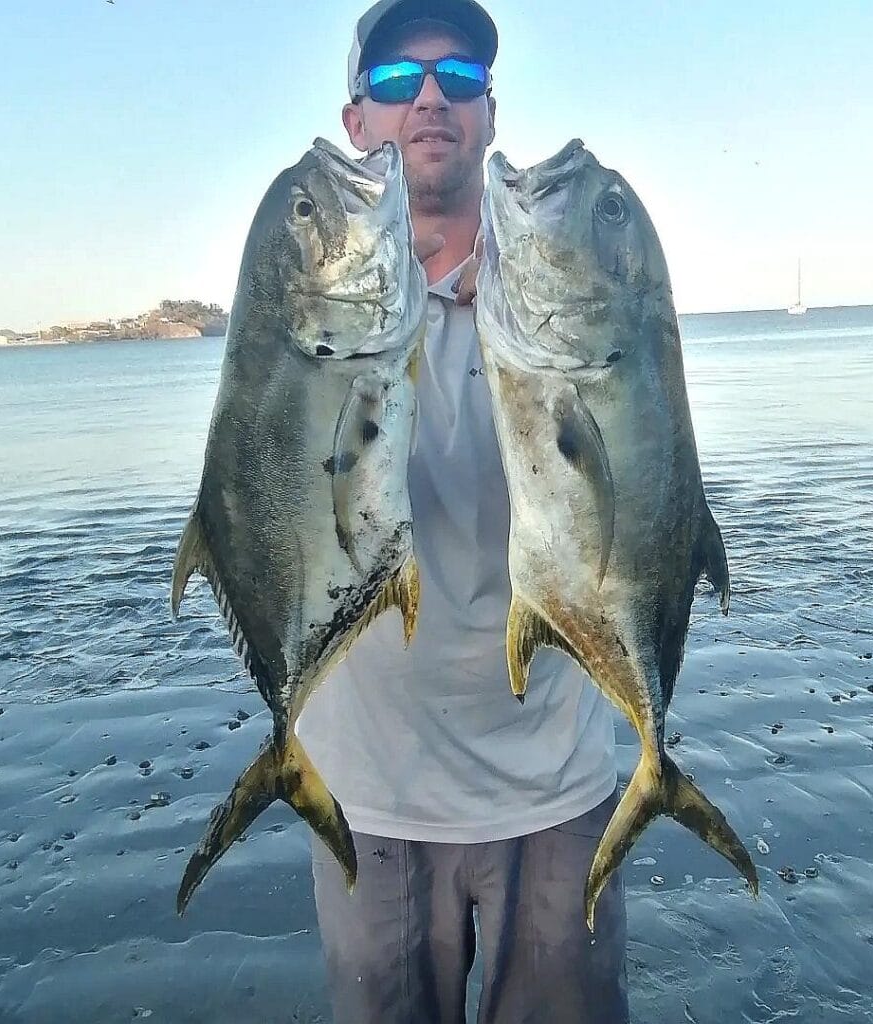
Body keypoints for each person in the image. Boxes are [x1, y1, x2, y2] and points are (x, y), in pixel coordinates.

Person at [296, 2, 629, 1021]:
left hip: (556, 784)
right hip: (369, 791)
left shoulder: (572, 290)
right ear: (358, 123)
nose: (430, 97)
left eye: (459, 77)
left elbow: (628, 499)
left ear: (490, 111)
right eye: (397, 82)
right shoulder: (306, 300)